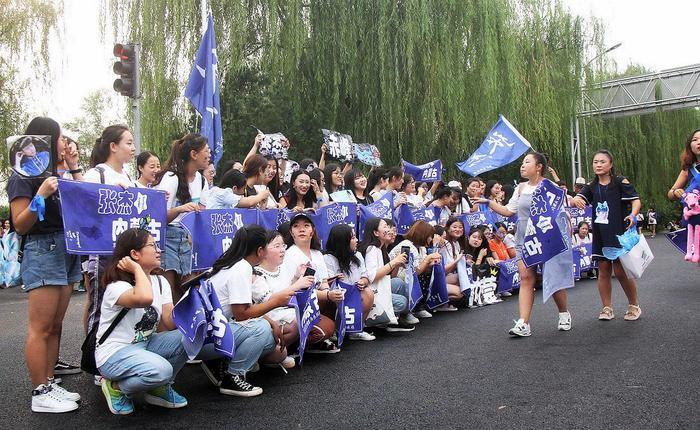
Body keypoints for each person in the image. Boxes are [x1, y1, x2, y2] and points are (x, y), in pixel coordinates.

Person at [7, 117, 83, 413]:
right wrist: (40, 196)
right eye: (62, 137)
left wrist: (72, 167)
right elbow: (20, 224)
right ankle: (40, 391)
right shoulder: (23, 176)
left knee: (55, 324)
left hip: (65, 247)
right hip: (43, 248)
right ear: (46, 139)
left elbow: (85, 202)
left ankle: (49, 381)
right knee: (40, 327)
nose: (66, 142)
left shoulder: (56, 173)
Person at [96, 228, 188, 415]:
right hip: (114, 354)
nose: (158, 250)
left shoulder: (160, 282)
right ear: (134, 254)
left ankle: (158, 388)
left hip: (144, 345)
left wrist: (194, 309)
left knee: (188, 338)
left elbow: (170, 323)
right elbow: (144, 298)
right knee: (162, 370)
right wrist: (137, 269)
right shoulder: (117, 286)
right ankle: (115, 387)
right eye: (152, 245)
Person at [479, 152, 572, 336]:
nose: (522, 166)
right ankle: (524, 323)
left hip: (545, 238)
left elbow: (560, 210)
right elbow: (508, 211)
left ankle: (563, 312)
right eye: (522, 162)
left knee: (551, 277)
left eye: (527, 162)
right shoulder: (520, 188)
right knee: (526, 278)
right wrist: (488, 202)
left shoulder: (549, 186)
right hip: (523, 238)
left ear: (539, 167)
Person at [205, 226, 298, 396]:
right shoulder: (242, 268)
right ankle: (233, 376)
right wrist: (275, 303)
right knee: (262, 330)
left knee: (270, 339)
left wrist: (273, 322)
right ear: (260, 250)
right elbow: (242, 314)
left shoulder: (232, 263)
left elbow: (243, 308)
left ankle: (220, 361)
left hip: (208, 332)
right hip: (207, 338)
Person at [83, 125, 137, 382]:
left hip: (125, 254)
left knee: (123, 307)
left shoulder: (129, 177)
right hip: (102, 253)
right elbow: (81, 207)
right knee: (99, 307)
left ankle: (118, 356)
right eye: (128, 142)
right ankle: (95, 363)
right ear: (113, 146)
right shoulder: (96, 175)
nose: (133, 147)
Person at [572, 150, 642, 322]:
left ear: (610, 164)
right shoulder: (591, 186)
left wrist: (633, 215)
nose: (598, 165)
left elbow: (636, 200)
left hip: (619, 232)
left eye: (602, 162)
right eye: (595, 162)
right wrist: (576, 200)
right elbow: (578, 198)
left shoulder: (620, 182)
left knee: (620, 271)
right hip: (601, 234)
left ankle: (634, 305)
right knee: (603, 270)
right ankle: (607, 307)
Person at [153, 133, 211, 301]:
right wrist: (180, 209)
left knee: (188, 292)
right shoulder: (171, 178)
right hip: (166, 239)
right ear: (194, 154)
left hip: (188, 240)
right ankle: (167, 327)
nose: (209, 155)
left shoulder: (201, 180)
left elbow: (203, 212)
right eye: (206, 150)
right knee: (167, 293)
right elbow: (158, 218)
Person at [252, 230, 319, 366]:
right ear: (261, 250)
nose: (282, 250)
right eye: (277, 246)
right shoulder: (256, 273)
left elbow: (288, 289)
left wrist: (298, 278)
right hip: (268, 316)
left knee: (307, 315)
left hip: (285, 311)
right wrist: (297, 285)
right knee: (296, 323)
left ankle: (281, 351)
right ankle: (263, 354)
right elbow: (268, 300)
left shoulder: (282, 268)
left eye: (283, 246)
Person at [280, 213, 341, 352]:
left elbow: (324, 282)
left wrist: (330, 292)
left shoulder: (318, 254)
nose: (301, 229)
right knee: (328, 328)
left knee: (337, 296)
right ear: (291, 232)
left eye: (306, 226)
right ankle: (295, 344)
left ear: (312, 231)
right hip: (296, 306)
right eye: (296, 226)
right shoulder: (289, 255)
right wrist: (327, 295)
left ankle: (316, 341)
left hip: (316, 302)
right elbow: (293, 292)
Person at [358, 218, 415, 330]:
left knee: (398, 282)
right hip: (371, 290)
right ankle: (379, 321)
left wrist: (398, 263)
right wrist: (393, 262)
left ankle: (396, 318)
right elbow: (372, 276)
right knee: (401, 302)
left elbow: (390, 277)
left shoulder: (381, 249)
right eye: (385, 227)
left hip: (380, 286)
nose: (389, 230)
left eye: (388, 227)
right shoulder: (371, 249)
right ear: (375, 233)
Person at [391, 220, 460, 311]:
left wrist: (431, 263)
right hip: (399, 279)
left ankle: (420, 306)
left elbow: (423, 268)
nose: (431, 239)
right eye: (430, 236)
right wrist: (428, 260)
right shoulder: (407, 245)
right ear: (423, 235)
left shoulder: (421, 248)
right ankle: (414, 309)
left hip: (408, 278)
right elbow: (414, 272)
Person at [324, 224, 377, 341]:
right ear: (343, 242)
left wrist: (363, 282)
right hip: (337, 296)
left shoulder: (357, 255)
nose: (357, 240)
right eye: (353, 238)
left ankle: (357, 329)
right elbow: (325, 283)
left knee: (368, 292)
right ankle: (334, 329)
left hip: (353, 295)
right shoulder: (328, 258)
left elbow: (365, 276)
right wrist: (333, 279)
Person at [668, 128, 700, 202]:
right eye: (695, 140)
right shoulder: (688, 169)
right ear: (690, 147)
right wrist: (675, 192)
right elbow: (670, 194)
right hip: (693, 211)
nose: (699, 142)